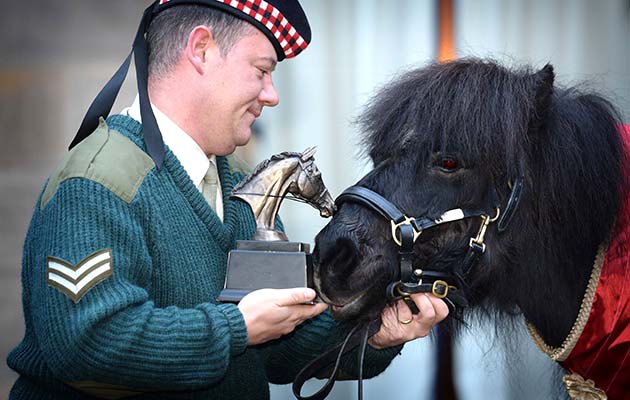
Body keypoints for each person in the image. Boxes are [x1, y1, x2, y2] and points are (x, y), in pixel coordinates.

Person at [7, 1, 449, 398]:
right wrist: (235, 327)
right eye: (261, 70)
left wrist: (376, 335)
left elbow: (275, 350)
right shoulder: (96, 182)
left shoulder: (235, 185)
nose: (271, 95)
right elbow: (85, 342)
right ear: (201, 50)